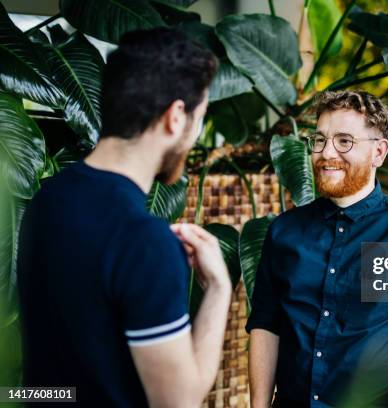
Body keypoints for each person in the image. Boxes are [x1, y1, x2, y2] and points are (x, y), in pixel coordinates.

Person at [17, 28, 231, 407]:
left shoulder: (46, 199)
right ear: (176, 117)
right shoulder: (145, 241)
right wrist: (218, 290)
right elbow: (177, 402)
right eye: (200, 117)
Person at [247, 90, 388, 408]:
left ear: (378, 153)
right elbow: (265, 324)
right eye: (319, 140)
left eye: (344, 141)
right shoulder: (284, 232)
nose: (326, 153)